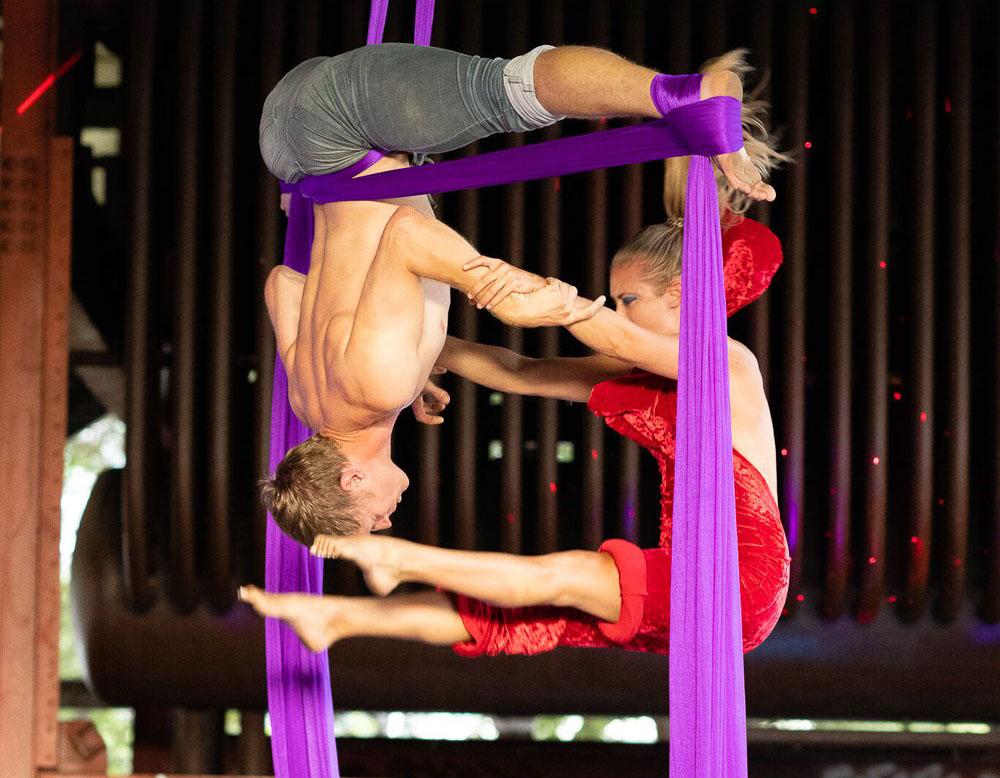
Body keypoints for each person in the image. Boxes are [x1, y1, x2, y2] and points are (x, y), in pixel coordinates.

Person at [258, 42, 779, 540]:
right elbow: (282, 284)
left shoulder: (379, 387)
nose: (385, 522)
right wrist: (405, 359)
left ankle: (686, 93)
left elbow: (406, 235)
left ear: (351, 481)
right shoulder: (315, 407)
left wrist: (505, 294)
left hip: (342, 126)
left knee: (507, 92)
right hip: (287, 144)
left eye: (368, 521)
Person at [240, 208, 791, 658]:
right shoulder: (638, 374)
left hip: (737, 579)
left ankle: (397, 566)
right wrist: (428, 356)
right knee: (523, 609)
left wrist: (546, 300)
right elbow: (519, 372)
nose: (618, 314)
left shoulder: (726, 362)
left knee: (562, 581)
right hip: (717, 589)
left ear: (679, 291)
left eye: (627, 300)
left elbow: (619, 341)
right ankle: (343, 616)